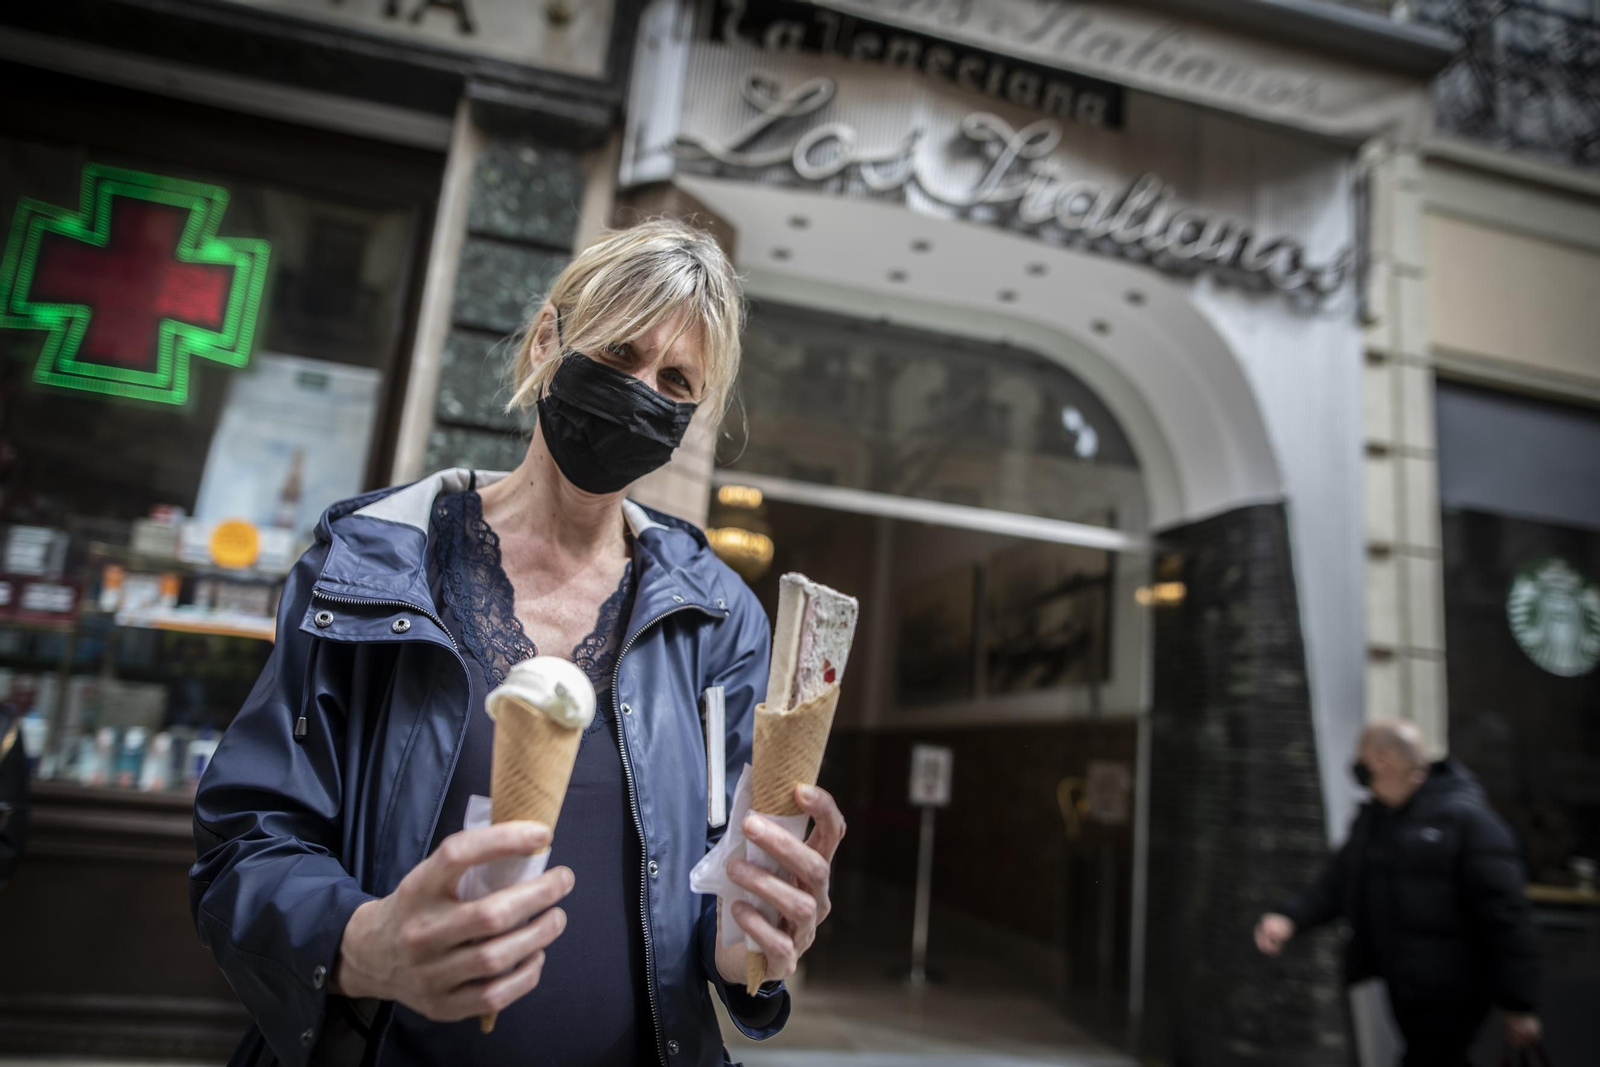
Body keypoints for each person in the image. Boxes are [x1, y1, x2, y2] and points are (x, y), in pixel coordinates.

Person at [189, 219, 846, 1067]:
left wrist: (750, 939)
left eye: (676, 378)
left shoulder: (717, 616)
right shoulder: (370, 566)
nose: (644, 389)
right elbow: (243, 842)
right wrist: (361, 938)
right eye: (618, 353)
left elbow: (715, 893)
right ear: (549, 338)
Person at [1254, 720, 1542, 1066]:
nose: (1357, 765)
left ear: (1384, 760)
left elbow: (1507, 916)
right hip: (1404, 984)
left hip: (1453, 991)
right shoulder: (1377, 820)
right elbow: (1338, 883)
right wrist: (1290, 917)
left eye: (1362, 757)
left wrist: (1519, 1004)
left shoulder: (1466, 822)